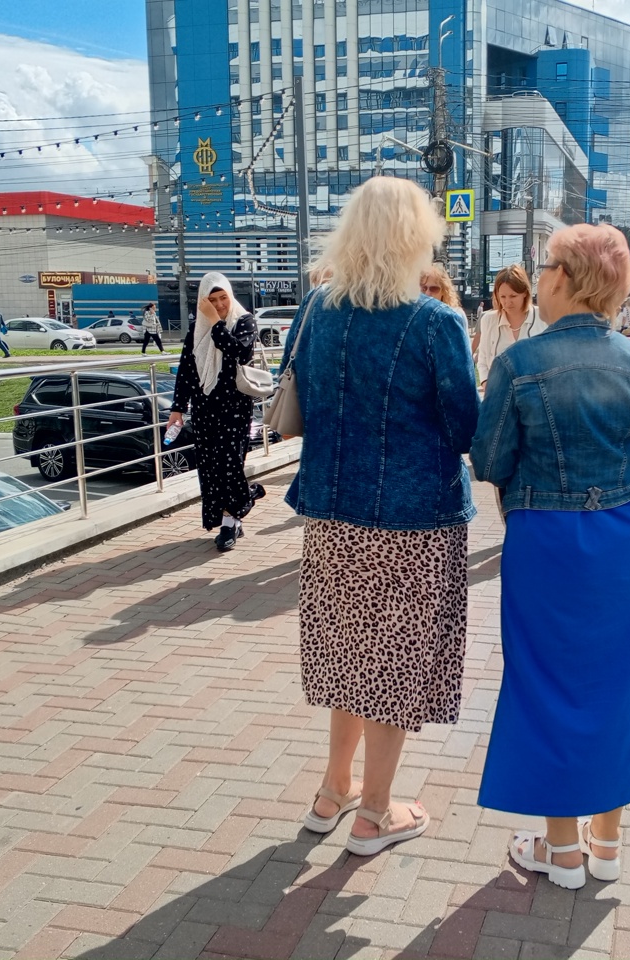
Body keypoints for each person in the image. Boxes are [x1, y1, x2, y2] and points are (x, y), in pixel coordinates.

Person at [280, 176, 479, 856]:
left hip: (333, 514)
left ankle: (332, 790)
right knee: (393, 662)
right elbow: (463, 427)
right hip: (412, 520)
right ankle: (375, 812)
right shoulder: (436, 322)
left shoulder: (317, 309)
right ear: (416, 237)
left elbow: (301, 395)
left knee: (347, 654)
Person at [470, 223, 630, 891]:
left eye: (546, 265)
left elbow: (490, 460)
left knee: (546, 685)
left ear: (567, 278)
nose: (541, 275)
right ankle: (606, 845)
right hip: (622, 541)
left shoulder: (519, 364)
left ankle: (562, 853)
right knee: (619, 686)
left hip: (546, 542)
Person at [165, 273, 264, 550]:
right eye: (212, 300)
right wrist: (177, 408)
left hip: (235, 408)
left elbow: (239, 352)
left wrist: (216, 323)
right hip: (204, 407)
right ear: (202, 301)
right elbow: (186, 371)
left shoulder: (243, 321)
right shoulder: (197, 329)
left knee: (230, 464)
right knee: (210, 468)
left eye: (223, 298)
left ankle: (232, 519)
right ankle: (234, 511)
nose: (219, 304)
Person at [474, 264, 543, 388]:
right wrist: (486, 385)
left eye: (513, 296)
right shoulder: (488, 320)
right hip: (499, 393)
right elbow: (482, 360)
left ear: (525, 293)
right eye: (503, 297)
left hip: (535, 394)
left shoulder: (542, 317)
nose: (507, 302)